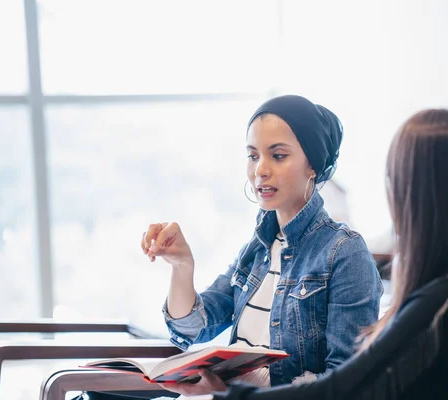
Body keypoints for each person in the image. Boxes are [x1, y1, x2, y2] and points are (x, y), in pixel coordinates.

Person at [199, 108, 448, 399]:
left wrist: (226, 395)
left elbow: (344, 389)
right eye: (253, 154)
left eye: (394, 182)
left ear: (422, 198)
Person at [141, 95, 383, 396]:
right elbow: (190, 330)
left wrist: (236, 393)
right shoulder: (257, 249)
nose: (260, 170)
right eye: (253, 156)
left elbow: (347, 384)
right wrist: (182, 266)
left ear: (313, 166)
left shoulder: (345, 253)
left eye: (278, 156)